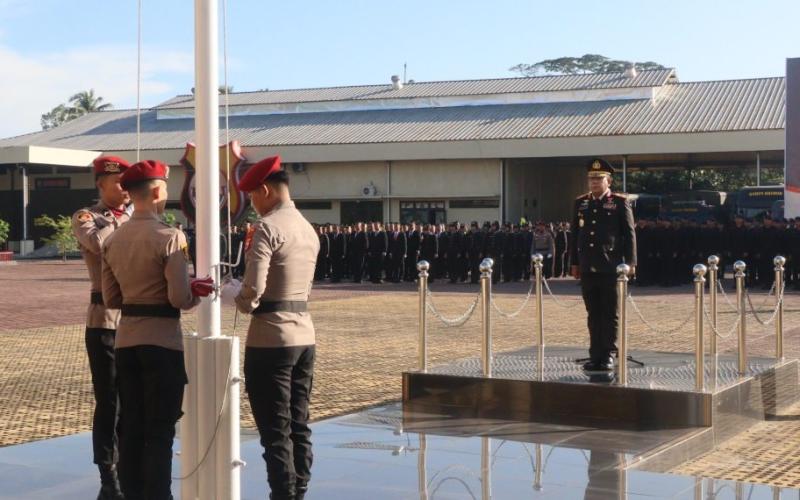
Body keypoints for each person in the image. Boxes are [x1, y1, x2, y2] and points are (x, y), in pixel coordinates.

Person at [101, 160, 213, 500]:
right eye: (165, 187)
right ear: (155, 191)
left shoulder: (114, 239)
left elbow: (111, 298)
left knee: (131, 427)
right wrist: (196, 292)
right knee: (160, 432)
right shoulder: (170, 236)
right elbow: (179, 299)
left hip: (126, 340)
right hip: (162, 342)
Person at [223, 155, 319, 500]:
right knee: (299, 422)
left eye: (252, 197)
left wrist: (234, 296)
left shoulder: (267, 227)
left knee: (274, 430)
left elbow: (253, 291)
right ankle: (300, 488)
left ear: (264, 190)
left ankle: (283, 492)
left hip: (270, 338)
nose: (252, 205)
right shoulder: (307, 227)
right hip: (304, 334)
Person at [72, 155, 131, 500]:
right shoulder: (88, 218)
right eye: (118, 183)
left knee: (133, 397)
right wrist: (128, 222)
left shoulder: (134, 217)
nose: (124, 190)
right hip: (105, 320)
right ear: (101, 183)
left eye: (128, 183)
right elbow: (100, 246)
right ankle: (107, 469)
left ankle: (128, 461)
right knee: (109, 400)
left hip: (137, 319)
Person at [570, 158, 636, 373]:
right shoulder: (581, 202)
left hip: (610, 266)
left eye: (599, 179)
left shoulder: (618, 202)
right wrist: (574, 263)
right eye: (591, 179)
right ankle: (595, 354)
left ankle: (608, 353)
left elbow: (629, 234)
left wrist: (631, 262)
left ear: (609, 180)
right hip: (588, 266)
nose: (594, 182)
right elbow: (575, 235)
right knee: (593, 313)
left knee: (609, 313)